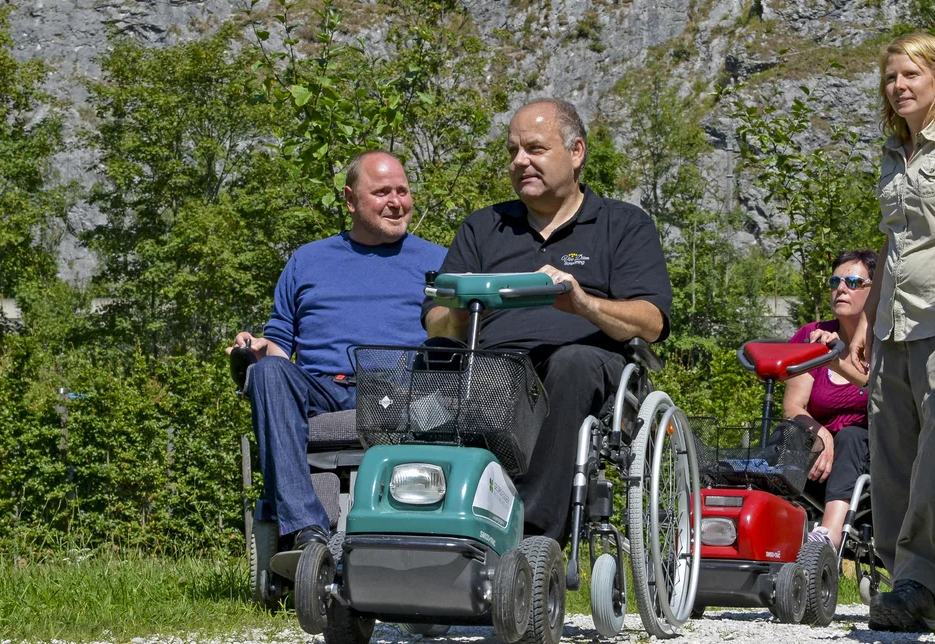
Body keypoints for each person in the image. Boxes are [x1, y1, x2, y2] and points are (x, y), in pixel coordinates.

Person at [423, 98, 674, 542]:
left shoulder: (622, 224)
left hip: (589, 369)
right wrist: (458, 311)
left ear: (576, 152)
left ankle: (531, 536)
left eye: (535, 149)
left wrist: (585, 304)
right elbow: (437, 322)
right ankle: (423, 521)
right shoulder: (484, 228)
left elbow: (651, 322)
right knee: (430, 360)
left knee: (571, 363)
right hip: (496, 368)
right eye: (513, 152)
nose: (520, 162)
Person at [230, 150, 447, 548]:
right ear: (350, 200)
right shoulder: (307, 261)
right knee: (266, 374)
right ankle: (307, 533)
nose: (396, 202)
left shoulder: (438, 261)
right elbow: (280, 346)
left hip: (400, 390)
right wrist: (258, 352)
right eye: (382, 192)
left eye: (403, 190)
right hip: (322, 391)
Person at [859, 32, 935, 633]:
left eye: (910, 76)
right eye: (890, 78)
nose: (898, 87)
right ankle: (909, 585)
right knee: (893, 460)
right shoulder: (892, 149)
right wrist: (866, 319)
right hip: (894, 323)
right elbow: (892, 242)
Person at [788, 250, 877, 551]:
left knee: (852, 436)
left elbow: (877, 393)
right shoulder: (814, 335)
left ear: (874, 291)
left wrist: (835, 363)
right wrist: (821, 433)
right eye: (835, 281)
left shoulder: (886, 342)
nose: (840, 288)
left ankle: (828, 536)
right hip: (818, 458)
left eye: (852, 282)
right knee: (783, 435)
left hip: (869, 458)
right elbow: (793, 407)